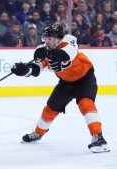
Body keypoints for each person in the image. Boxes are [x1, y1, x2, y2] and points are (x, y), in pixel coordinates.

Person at [10, 23, 110, 153]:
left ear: (58, 39)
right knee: (49, 109)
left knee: (86, 104)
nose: (46, 41)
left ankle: (98, 137)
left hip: (85, 79)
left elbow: (65, 55)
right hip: (65, 83)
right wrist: (25, 70)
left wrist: (47, 53)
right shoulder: (43, 48)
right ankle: (38, 133)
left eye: (49, 39)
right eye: (45, 38)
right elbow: (36, 70)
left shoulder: (69, 40)